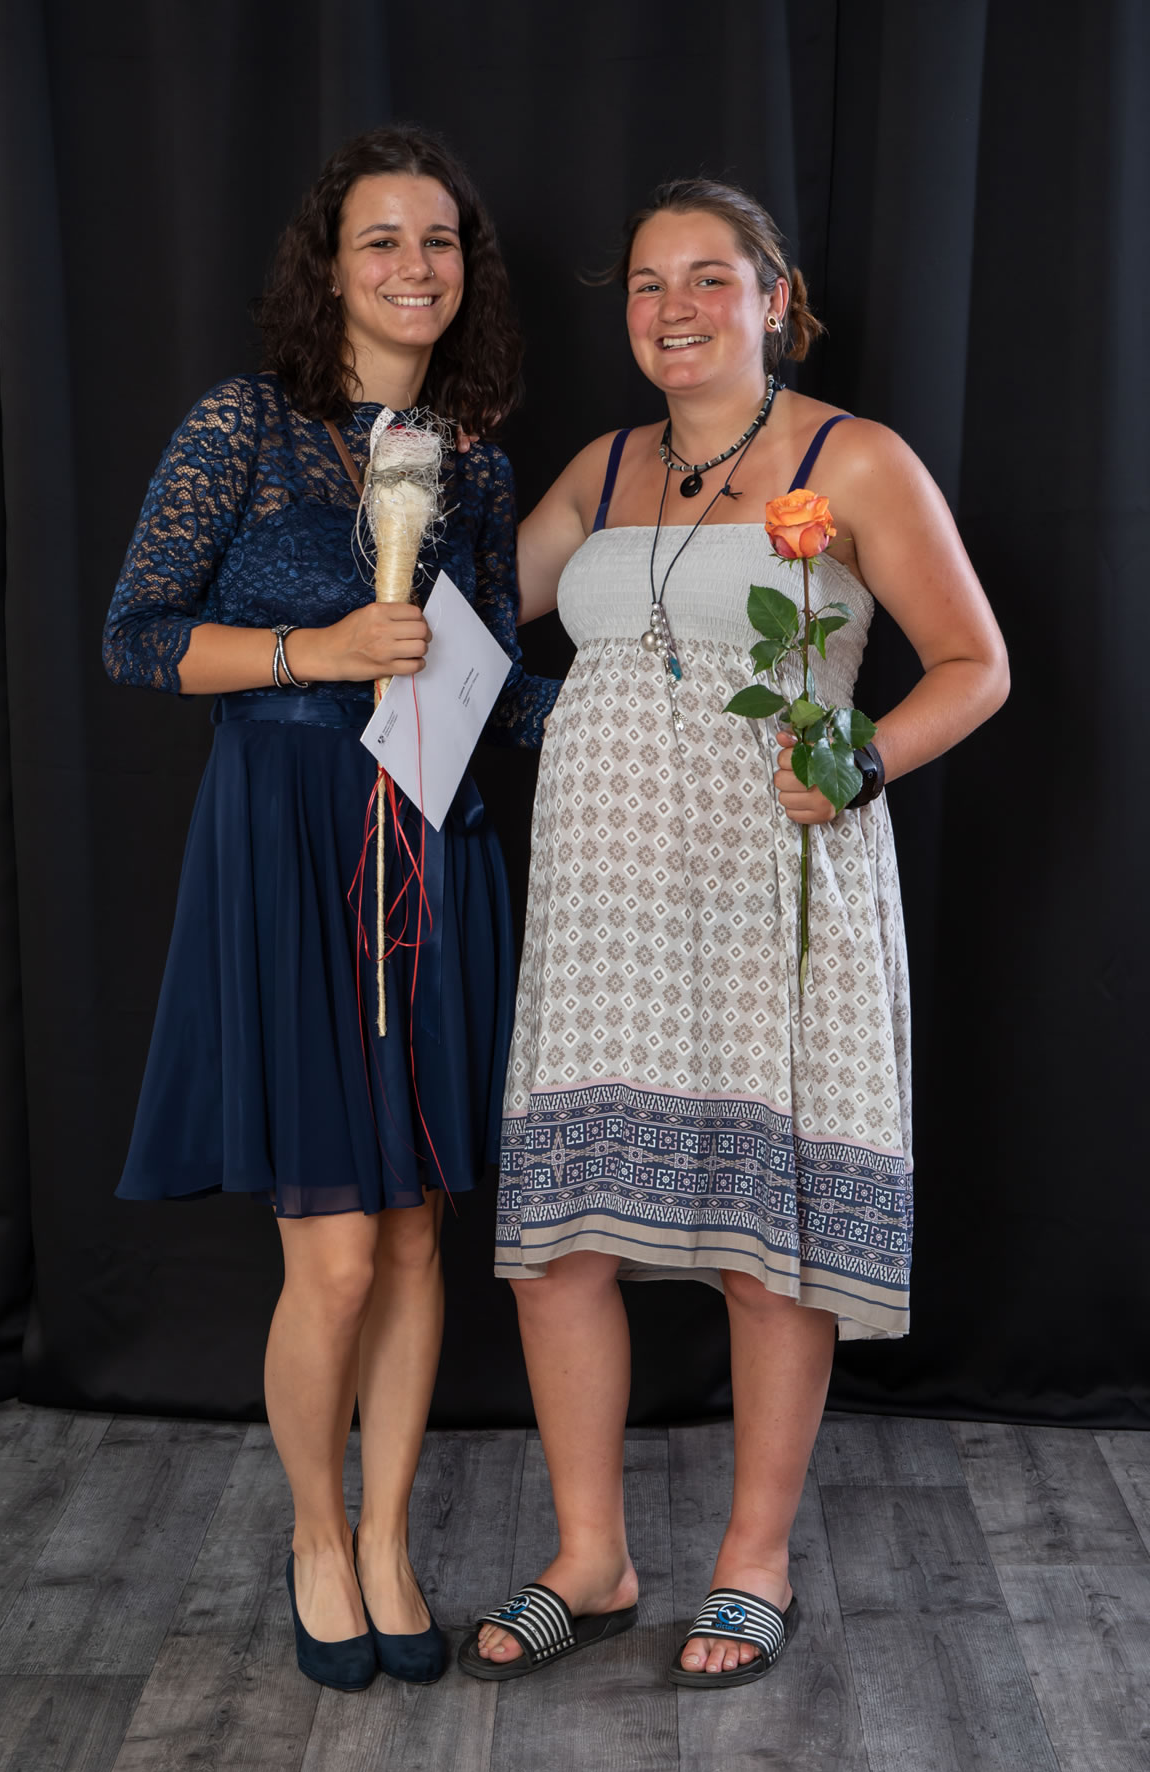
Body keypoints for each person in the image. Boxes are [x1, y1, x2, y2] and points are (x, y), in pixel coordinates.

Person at [459, 178, 1009, 1689]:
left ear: (776, 299)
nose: (675, 308)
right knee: (560, 1247)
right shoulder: (603, 464)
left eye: (709, 277)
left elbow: (975, 664)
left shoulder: (854, 458)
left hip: (772, 888)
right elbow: (476, 615)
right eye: (648, 283)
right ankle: (593, 1556)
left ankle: (752, 1562)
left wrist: (862, 759)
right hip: (603, 906)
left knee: (770, 1257)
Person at [102, 126, 556, 1692]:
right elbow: (138, 636)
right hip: (288, 843)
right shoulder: (245, 426)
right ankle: (313, 1533)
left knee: (419, 1239)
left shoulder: (478, 462)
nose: (415, 267)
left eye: (440, 242)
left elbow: (497, 687)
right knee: (340, 1258)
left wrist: (659, 717)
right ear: (332, 264)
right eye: (383, 240)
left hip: (431, 843)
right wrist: (318, 653)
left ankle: (388, 1538)